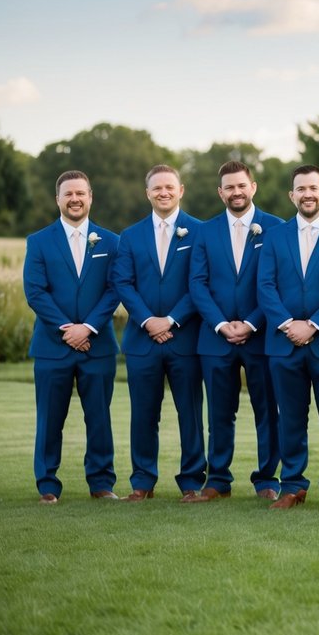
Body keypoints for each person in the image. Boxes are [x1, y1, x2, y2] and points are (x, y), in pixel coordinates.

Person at [256, 164, 319, 510]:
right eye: (301, 188)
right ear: (291, 195)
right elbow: (265, 286)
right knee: (290, 418)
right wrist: (287, 324)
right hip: (283, 345)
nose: (307, 194)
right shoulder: (274, 236)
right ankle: (293, 485)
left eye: (314, 187)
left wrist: (313, 325)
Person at [187, 160, 284, 502]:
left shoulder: (276, 228)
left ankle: (268, 480)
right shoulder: (204, 231)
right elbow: (197, 284)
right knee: (219, 412)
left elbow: (277, 284)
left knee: (267, 410)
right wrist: (221, 324)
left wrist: (252, 322)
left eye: (241, 185)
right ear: (220, 192)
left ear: (253, 187)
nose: (236, 192)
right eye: (229, 187)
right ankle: (217, 480)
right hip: (215, 339)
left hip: (262, 337)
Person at [23, 170, 121, 504]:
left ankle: (102, 483)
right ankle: (48, 485)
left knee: (99, 418)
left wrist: (87, 327)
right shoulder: (38, 241)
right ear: (58, 199)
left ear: (90, 196)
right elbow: (35, 292)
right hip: (53, 346)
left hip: (98, 345)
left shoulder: (111, 242)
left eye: (80, 193)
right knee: (50, 419)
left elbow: (114, 290)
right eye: (68, 194)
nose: (75, 199)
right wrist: (67, 329)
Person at [112, 164, 206, 502]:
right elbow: (122, 282)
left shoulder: (200, 232)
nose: (163, 192)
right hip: (142, 340)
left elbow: (200, 283)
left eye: (170, 187)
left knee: (190, 413)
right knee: (143, 414)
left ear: (181, 190)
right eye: (157, 188)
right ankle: (142, 482)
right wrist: (148, 320)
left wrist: (172, 320)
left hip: (186, 339)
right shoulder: (130, 236)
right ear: (147, 193)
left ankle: (193, 482)